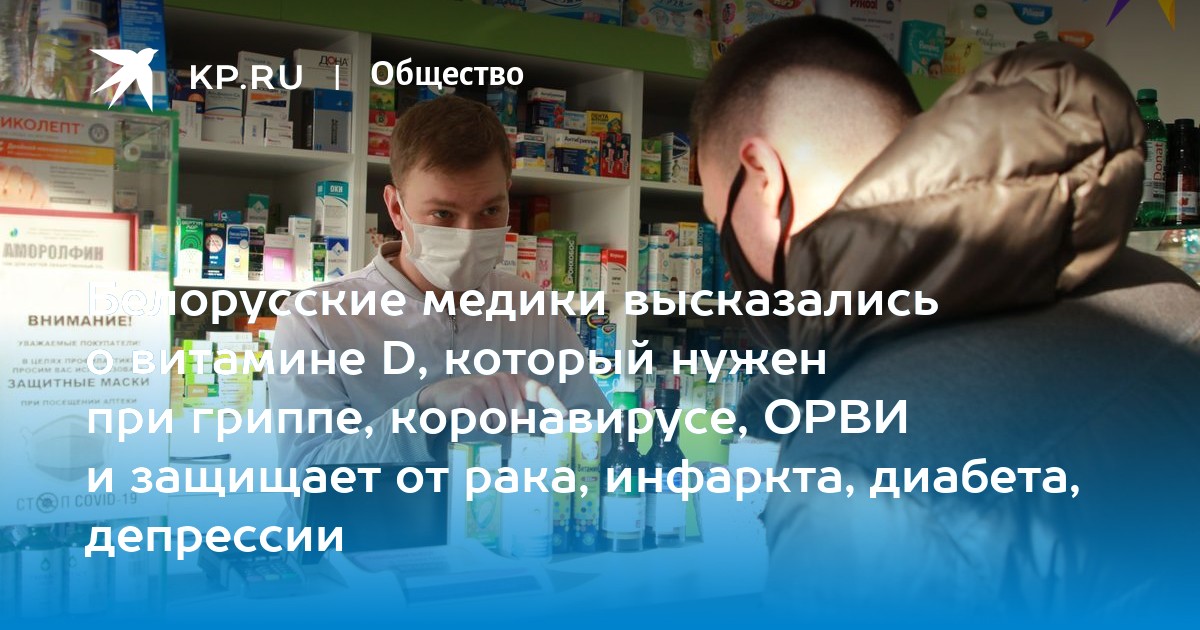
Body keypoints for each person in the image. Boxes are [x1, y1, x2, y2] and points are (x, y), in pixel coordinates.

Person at [691, 15, 1200, 622]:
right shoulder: (1169, 292)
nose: (732, 263)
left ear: (764, 177)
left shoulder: (857, 472)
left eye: (721, 220)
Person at [272, 95, 610, 476]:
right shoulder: (316, 319)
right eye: (443, 214)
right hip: (379, 517)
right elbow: (306, 481)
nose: (468, 236)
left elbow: (598, 438)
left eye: (490, 210)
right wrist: (423, 412)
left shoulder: (533, 309)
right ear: (396, 209)